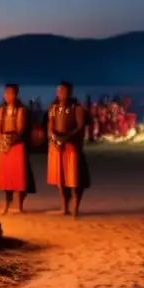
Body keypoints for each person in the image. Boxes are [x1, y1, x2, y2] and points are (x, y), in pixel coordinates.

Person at [47, 81, 91, 216]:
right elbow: (50, 125)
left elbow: (80, 126)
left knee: (74, 179)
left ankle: (75, 209)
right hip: (57, 147)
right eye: (59, 91)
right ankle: (64, 208)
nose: (61, 93)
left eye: (64, 91)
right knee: (60, 180)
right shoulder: (53, 107)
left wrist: (66, 137)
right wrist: (54, 138)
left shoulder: (76, 108)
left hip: (72, 147)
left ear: (70, 92)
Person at [0, 84, 35, 213]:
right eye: (6, 93)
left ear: (15, 94)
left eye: (10, 93)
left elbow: (20, 129)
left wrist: (10, 141)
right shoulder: (1, 110)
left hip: (17, 145)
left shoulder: (20, 110)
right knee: (6, 177)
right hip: (4, 146)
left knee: (19, 176)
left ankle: (20, 206)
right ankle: (7, 204)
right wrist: (1, 141)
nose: (7, 96)